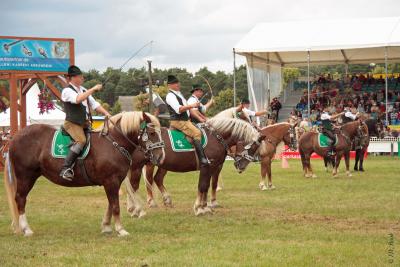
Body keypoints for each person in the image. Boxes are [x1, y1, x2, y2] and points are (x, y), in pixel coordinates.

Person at [59, 65, 111, 180]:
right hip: (72, 123)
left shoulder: (83, 90)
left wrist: (107, 114)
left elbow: (95, 105)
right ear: (72, 78)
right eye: (80, 76)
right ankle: (65, 168)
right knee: (81, 140)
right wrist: (93, 89)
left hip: (85, 123)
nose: (82, 78)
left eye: (82, 76)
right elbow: (78, 99)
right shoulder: (67, 91)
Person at [165, 75, 210, 166]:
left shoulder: (179, 94)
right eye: (175, 83)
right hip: (178, 121)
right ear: (169, 85)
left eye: (178, 82)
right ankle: (202, 160)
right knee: (197, 133)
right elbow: (179, 109)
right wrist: (192, 105)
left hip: (186, 120)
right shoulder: (170, 95)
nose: (178, 84)